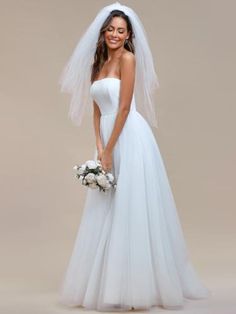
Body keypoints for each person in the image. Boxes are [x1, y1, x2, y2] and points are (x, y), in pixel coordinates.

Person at [58, 1, 211, 311]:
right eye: (111, 30)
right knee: (107, 207)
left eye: (121, 30)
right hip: (108, 141)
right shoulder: (97, 64)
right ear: (103, 33)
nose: (115, 34)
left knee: (132, 206)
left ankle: (137, 287)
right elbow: (97, 111)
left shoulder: (128, 59)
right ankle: (109, 286)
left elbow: (125, 107)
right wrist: (100, 148)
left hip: (129, 136)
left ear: (128, 36)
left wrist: (111, 148)